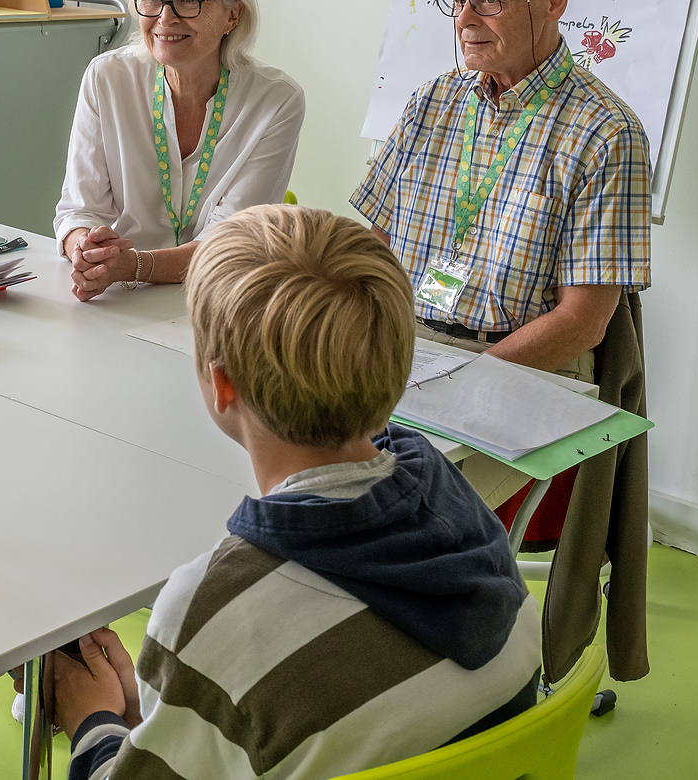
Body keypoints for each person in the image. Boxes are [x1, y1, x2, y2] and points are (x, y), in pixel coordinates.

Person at [51, 205, 541, 779]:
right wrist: (171, 696)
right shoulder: (455, 501)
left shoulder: (210, 610)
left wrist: (91, 717)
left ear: (222, 383)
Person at [350, 0, 649, 506]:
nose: (464, 21)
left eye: (487, 1)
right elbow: (373, 249)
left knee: (398, 506)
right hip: (405, 349)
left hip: (520, 368)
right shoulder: (433, 101)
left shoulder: (606, 133)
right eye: (457, 1)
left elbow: (582, 322)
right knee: (292, 460)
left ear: (554, 0)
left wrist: (458, 383)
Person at [54, 0, 304, 300]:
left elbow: (229, 245)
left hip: (219, 297)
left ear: (233, 14)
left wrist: (133, 266)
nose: (165, 17)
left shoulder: (276, 100)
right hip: (118, 296)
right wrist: (87, 251)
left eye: (188, 0)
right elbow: (78, 209)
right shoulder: (107, 77)